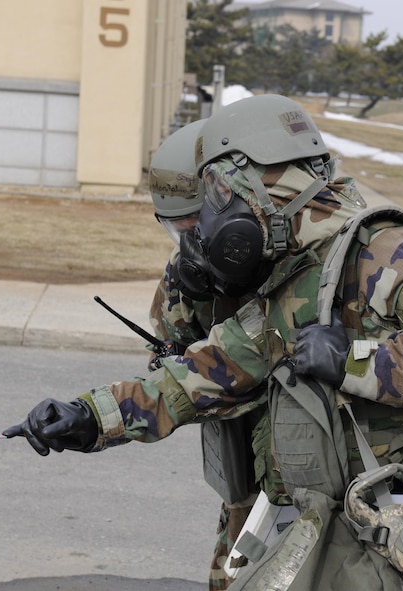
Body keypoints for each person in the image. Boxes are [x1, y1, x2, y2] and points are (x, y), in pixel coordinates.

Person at [4, 94, 403, 590]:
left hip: (395, 530)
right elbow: (203, 374)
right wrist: (90, 417)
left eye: (222, 194)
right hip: (314, 519)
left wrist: (355, 362)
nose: (213, 215)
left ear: (262, 184)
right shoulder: (290, 276)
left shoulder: (387, 254)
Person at [149, 119, 262, 591]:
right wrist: (175, 351)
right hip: (245, 473)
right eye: (176, 229)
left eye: (194, 225)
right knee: (231, 576)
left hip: (308, 469)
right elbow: (165, 342)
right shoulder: (188, 270)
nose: (189, 241)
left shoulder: (287, 257)